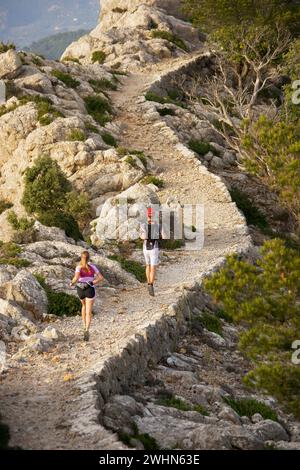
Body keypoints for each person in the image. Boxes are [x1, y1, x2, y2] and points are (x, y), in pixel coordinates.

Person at [69, 251, 104, 342]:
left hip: (80, 289)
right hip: (89, 289)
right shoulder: (93, 267)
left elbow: (76, 278)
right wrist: (92, 282)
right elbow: (101, 278)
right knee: (89, 312)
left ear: (81, 258)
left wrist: (71, 283)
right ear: (88, 258)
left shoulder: (78, 267)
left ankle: (84, 326)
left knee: (83, 306)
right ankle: (87, 329)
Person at [140, 207, 162, 297]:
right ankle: (150, 284)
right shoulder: (158, 225)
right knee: (153, 268)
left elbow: (142, 237)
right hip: (154, 248)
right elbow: (163, 236)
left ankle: (149, 282)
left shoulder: (143, 224)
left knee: (147, 266)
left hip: (145, 248)